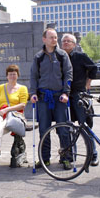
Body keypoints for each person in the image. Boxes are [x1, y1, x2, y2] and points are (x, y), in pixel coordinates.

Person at [30, 28, 73, 170]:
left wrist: (66, 92)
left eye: (55, 37)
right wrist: (33, 93)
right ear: (44, 39)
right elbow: (34, 76)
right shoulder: (38, 57)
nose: (54, 40)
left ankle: (66, 158)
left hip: (59, 97)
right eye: (51, 37)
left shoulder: (62, 55)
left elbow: (68, 74)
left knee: (63, 129)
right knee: (44, 129)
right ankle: (44, 159)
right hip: (43, 98)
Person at [61, 33, 99, 166]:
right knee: (67, 127)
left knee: (85, 126)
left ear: (74, 44)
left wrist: (88, 83)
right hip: (64, 97)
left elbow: (93, 68)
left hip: (78, 95)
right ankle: (70, 156)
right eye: (64, 41)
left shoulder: (80, 56)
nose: (66, 43)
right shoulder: (58, 58)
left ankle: (93, 155)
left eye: (69, 41)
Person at [0, 64, 29, 174]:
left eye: (14, 74)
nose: (12, 76)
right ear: (7, 76)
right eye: (10, 74)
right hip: (1, 115)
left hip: (15, 116)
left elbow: (23, 105)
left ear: (18, 75)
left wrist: (7, 109)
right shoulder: (1, 87)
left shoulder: (22, 88)